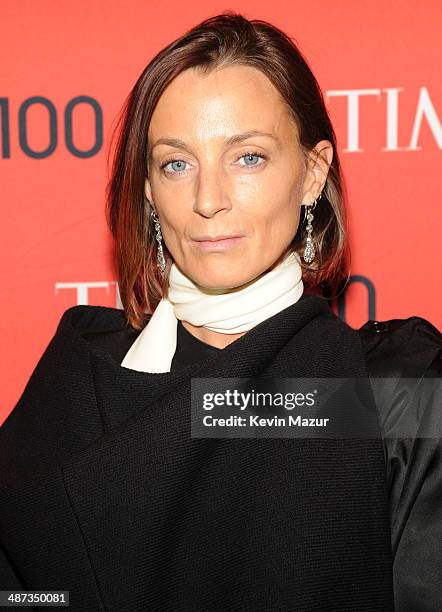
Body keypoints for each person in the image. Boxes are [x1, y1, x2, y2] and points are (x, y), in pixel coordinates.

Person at [1, 12, 440, 612]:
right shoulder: (78, 379)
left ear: (312, 174)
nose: (208, 200)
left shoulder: (395, 392)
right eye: (176, 164)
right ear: (150, 192)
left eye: (249, 157)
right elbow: (25, 597)